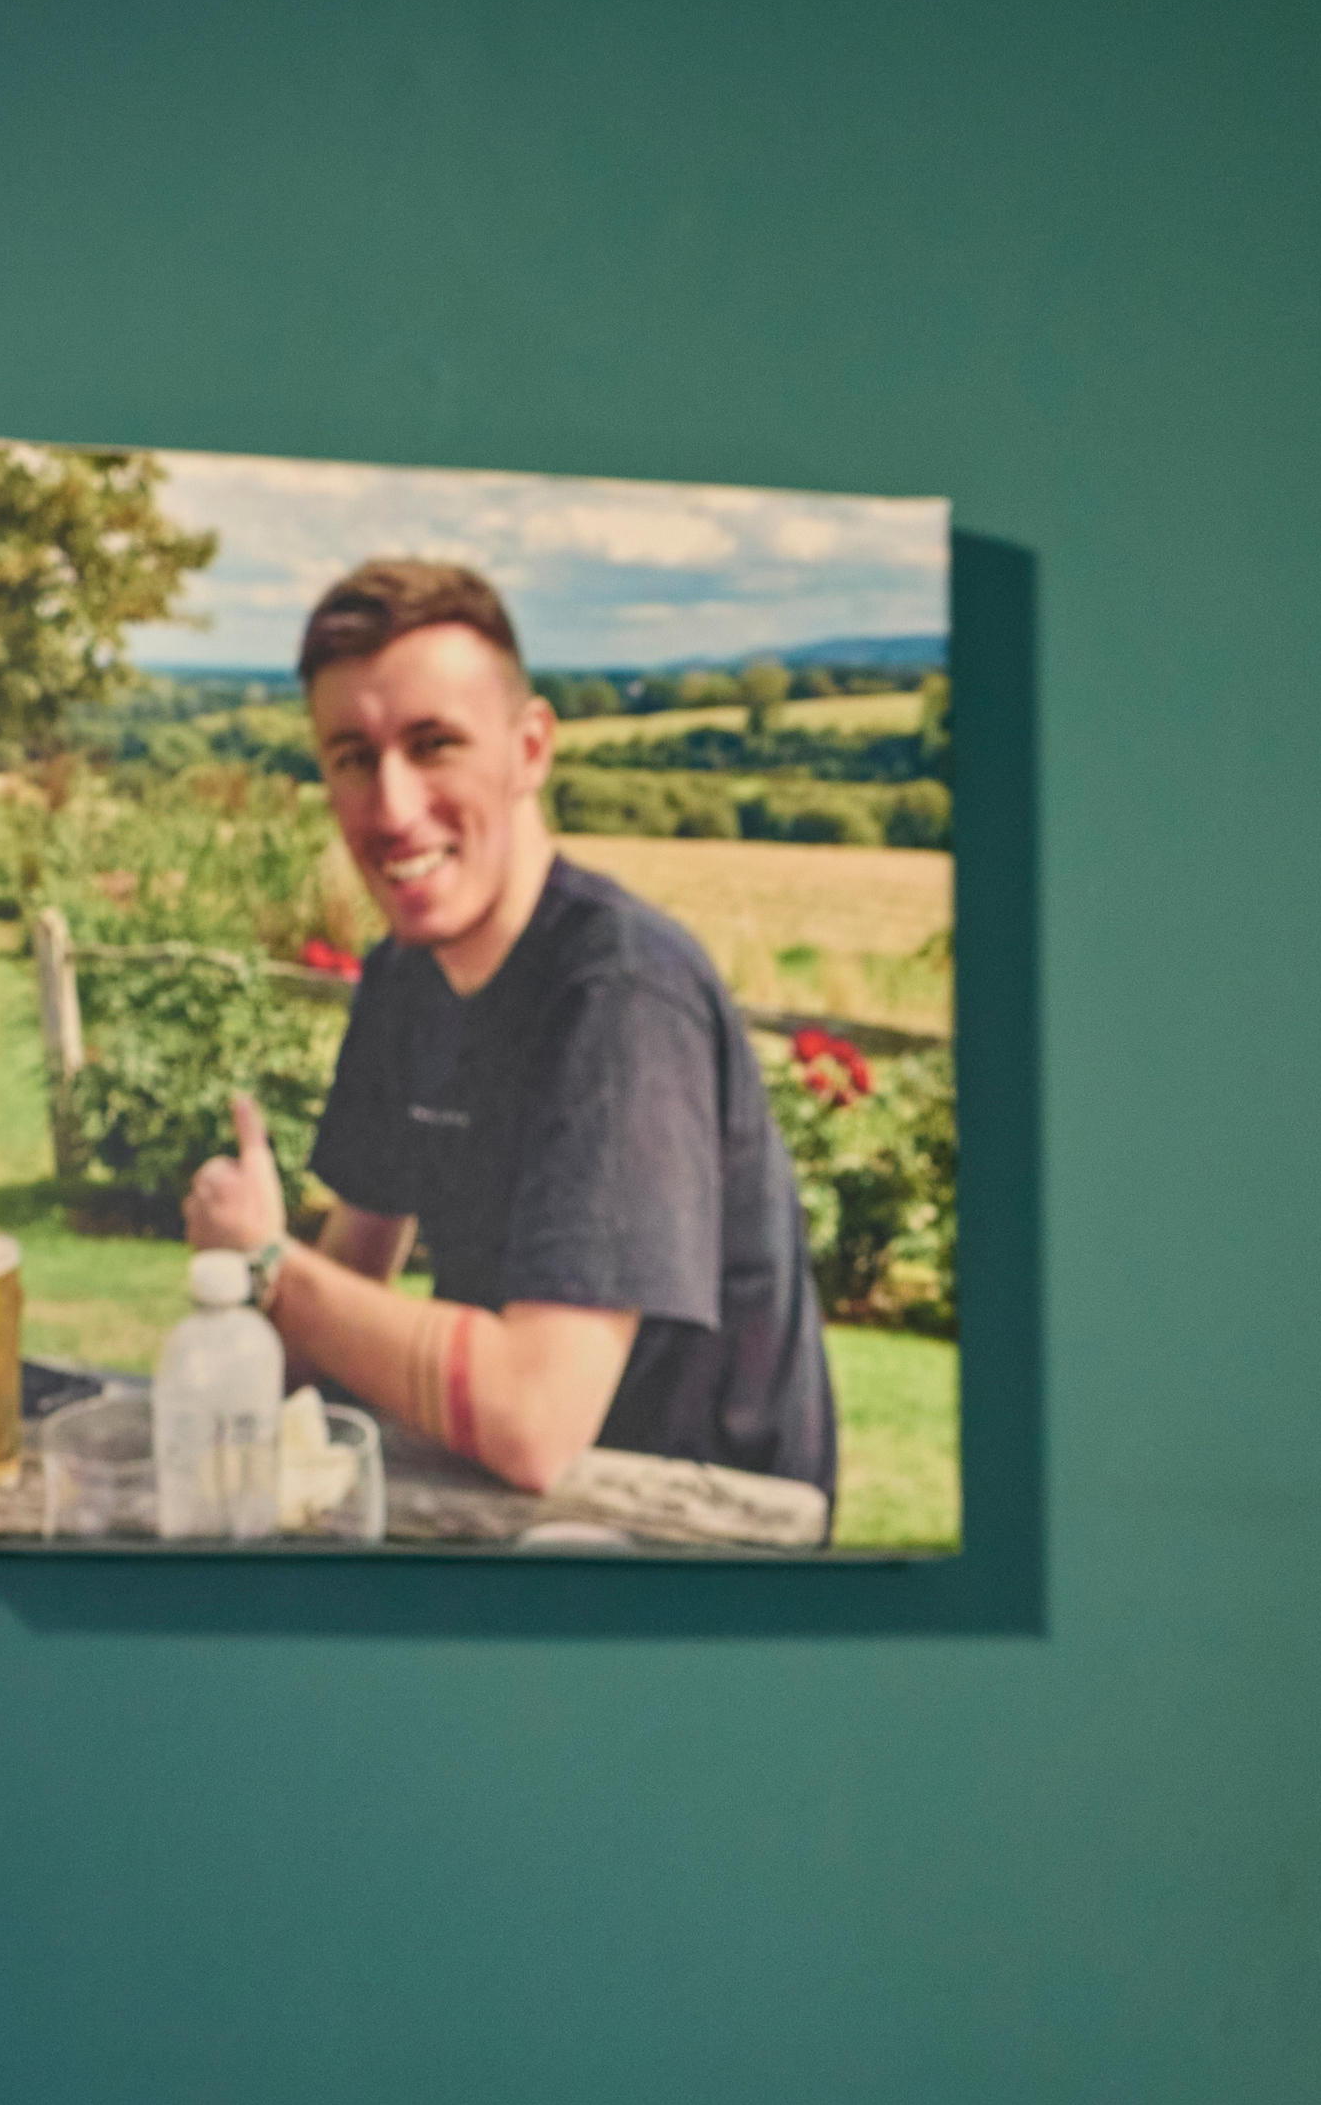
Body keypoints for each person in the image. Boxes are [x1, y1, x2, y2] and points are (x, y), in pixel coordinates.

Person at [179, 559, 838, 1508]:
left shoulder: (621, 996)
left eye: (434, 743)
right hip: (519, 1516)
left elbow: (533, 1418)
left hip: (702, 1549)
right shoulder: (406, 976)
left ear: (531, 749)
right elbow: (351, 1268)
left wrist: (269, 1265)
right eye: (352, 758)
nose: (394, 809)